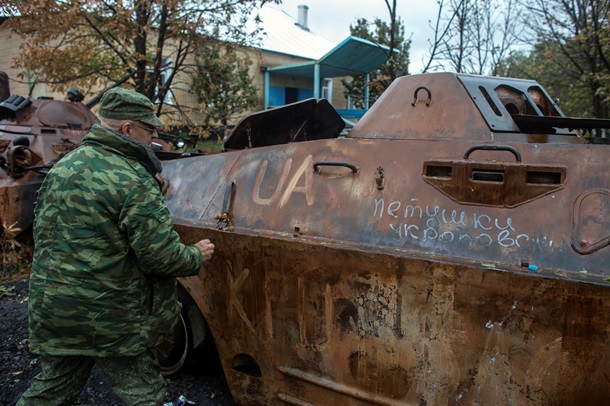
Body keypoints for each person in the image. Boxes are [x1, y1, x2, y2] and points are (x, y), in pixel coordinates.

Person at [17, 87, 215, 405]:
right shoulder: (133, 179)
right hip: (111, 318)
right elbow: (160, 257)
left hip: (57, 308)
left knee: (52, 389)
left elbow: (46, 237)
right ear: (127, 129)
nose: (153, 136)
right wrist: (195, 255)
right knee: (144, 394)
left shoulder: (63, 168)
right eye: (149, 129)